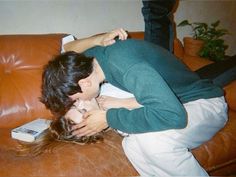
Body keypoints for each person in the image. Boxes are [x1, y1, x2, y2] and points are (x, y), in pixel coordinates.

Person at [41, 29, 228, 176]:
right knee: (131, 145)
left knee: (154, 143)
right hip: (182, 103)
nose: (84, 102)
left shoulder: (127, 68)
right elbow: (67, 49)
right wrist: (98, 39)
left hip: (205, 103)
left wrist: (109, 118)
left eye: (77, 99)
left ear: (84, 83)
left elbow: (174, 116)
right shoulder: (89, 61)